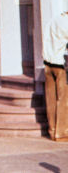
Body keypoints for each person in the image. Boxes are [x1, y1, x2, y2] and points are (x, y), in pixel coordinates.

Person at [44, 10, 68, 141]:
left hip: (48, 63)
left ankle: (52, 130)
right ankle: (62, 133)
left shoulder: (54, 19)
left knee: (51, 99)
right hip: (61, 65)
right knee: (63, 100)